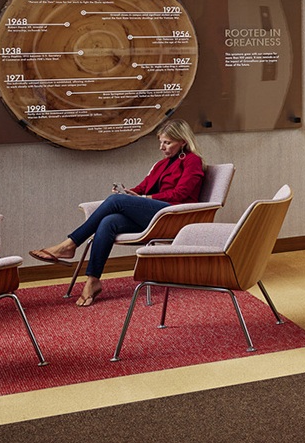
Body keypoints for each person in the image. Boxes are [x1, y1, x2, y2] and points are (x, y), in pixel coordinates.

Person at [30, 120, 208, 305]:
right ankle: (93, 280)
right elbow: (142, 187)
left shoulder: (192, 161)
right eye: (161, 142)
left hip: (174, 216)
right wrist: (130, 193)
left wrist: (144, 198)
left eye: (167, 143)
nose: (161, 147)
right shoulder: (162, 164)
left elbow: (181, 194)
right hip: (155, 216)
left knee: (115, 201)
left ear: (183, 142)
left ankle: (70, 244)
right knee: (109, 221)